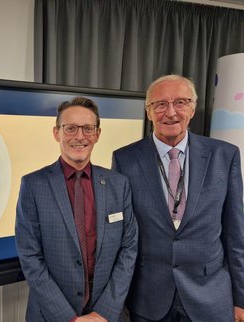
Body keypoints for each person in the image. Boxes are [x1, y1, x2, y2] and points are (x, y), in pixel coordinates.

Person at [112, 75, 244, 322]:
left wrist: (242, 299)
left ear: (193, 109)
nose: (170, 112)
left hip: (211, 298)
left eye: (180, 102)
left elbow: (236, 236)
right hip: (148, 300)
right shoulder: (125, 160)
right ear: (148, 111)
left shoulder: (225, 156)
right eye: (160, 104)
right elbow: (121, 238)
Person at [15, 96, 138, 322]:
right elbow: (30, 257)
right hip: (52, 316)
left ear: (97, 134)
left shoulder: (118, 184)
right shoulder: (33, 185)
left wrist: (104, 312)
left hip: (108, 315)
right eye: (70, 128)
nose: (79, 137)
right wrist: (69, 319)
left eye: (88, 129)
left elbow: (128, 249)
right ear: (56, 133)